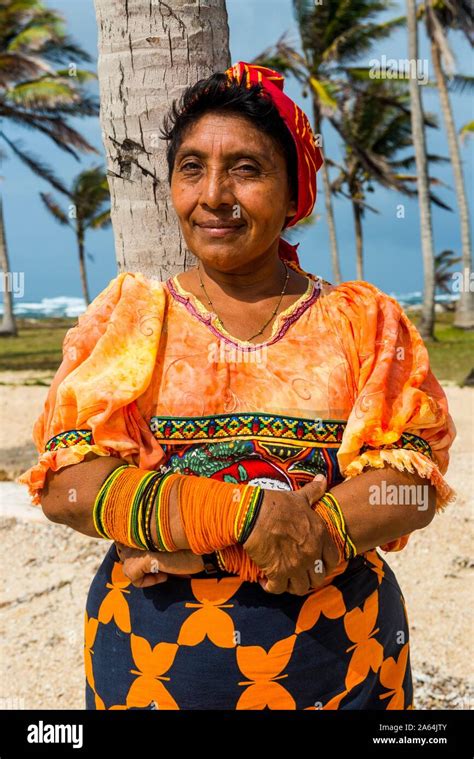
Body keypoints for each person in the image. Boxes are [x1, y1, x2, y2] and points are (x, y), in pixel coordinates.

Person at [18, 62, 457, 711]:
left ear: (293, 191)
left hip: (342, 665)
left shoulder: (362, 323)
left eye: (246, 169)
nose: (214, 194)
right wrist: (246, 515)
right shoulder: (132, 320)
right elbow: (66, 483)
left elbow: (411, 482)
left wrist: (321, 530)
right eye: (192, 167)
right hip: (152, 669)